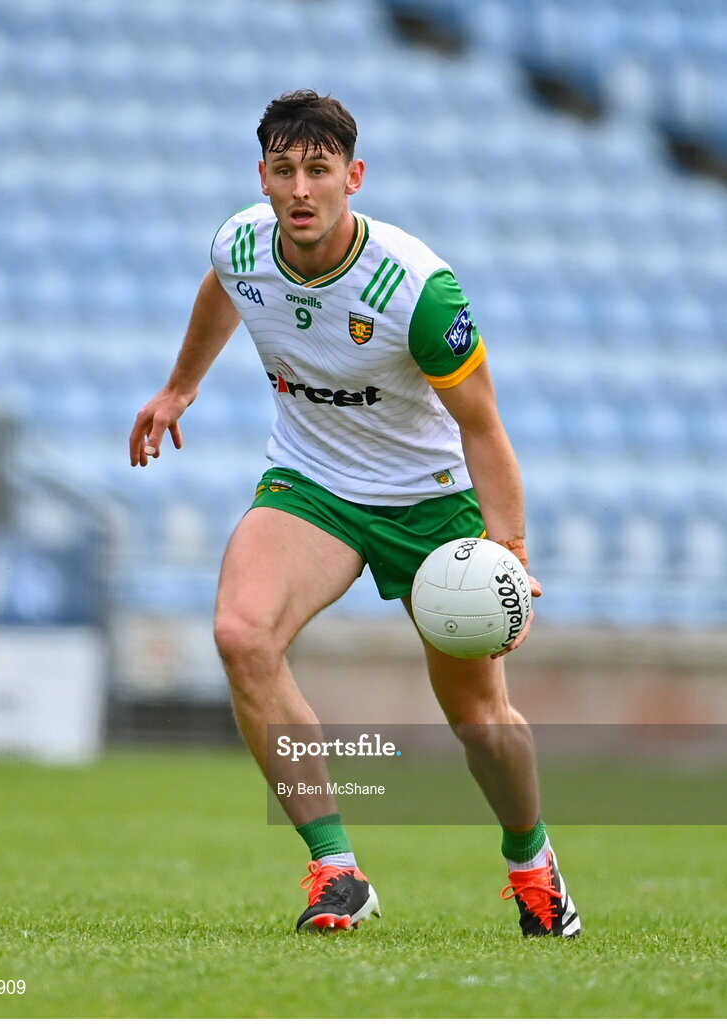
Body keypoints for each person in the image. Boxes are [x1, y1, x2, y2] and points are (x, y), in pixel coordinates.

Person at [129, 90, 580, 938]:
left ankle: (531, 862)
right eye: (284, 170)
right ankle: (336, 870)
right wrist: (181, 383)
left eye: (319, 170)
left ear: (353, 177)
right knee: (240, 633)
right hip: (313, 483)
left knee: (479, 721)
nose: (301, 189)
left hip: (429, 502)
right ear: (262, 176)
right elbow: (223, 289)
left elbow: (483, 427)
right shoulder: (239, 242)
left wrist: (508, 548)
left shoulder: (417, 288)